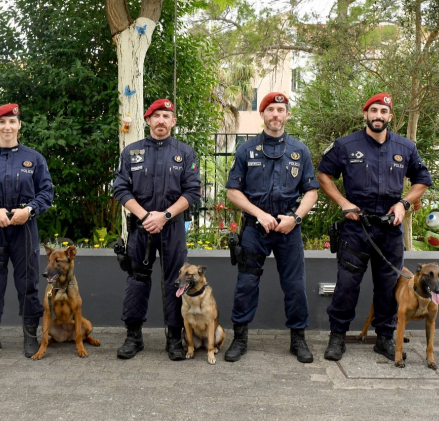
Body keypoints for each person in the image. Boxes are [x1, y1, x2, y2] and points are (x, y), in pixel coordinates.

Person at [317, 92, 432, 362]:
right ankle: (337, 337)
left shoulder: (406, 147)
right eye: (374, 110)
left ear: (390, 117)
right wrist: (344, 202)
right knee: (347, 285)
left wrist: (404, 203)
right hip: (357, 228)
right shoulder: (346, 145)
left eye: (383, 112)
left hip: (390, 229)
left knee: (388, 286)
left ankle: (384, 338)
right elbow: (323, 174)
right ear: (365, 114)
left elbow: (422, 180)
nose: (378, 116)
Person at [223, 92, 320, 364]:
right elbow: (233, 191)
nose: (276, 114)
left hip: (289, 229)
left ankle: (298, 339)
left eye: (281, 110)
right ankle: (239, 338)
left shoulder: (300, 151)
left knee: (295, 286)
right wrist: (259, 214)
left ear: (287, 115)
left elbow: (312, 192)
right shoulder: (246, 150)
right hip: (256, 230)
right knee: (246, 284)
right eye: (270, 110)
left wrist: (296, 218)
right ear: (262, 114)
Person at [112, 98, 201, 361]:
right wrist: (145, 216)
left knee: (176, 281)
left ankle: (174, 338)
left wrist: (164, 216)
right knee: (137, 279)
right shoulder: (131, 152)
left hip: (172, 227)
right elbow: (120, 188)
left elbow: (192, 191)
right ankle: (133, 336)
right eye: (156, 116)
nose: (161, 120)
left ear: (173, 122)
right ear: (148, 120)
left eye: (166, 116)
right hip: (141, 228)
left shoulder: (185, 153)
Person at [0, 103, 54, 359]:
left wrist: (29, 210)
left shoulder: (34, 158)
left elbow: (46, 192)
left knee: (27, 284)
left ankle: (30, 336)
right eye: (2, 122)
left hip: (24, 229)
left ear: (19, 125)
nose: (7, 127)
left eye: (12, 122)